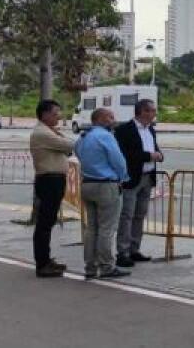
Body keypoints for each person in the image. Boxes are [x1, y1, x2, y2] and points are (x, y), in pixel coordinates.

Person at [74, 107, 130, 280]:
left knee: (92, 228)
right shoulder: (106, 136)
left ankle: (90, 266)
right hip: (106, 185)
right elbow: (118, 160)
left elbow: (77, 152)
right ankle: (106, 266)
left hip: (87, 184)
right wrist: (122, 177)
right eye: (109, 116)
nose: (113, 119)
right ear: (99, 119)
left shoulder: (83, 137)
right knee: (107, 228)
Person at [113, 98, 163, 268]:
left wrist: (159, 155)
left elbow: (155, 148)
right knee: (126, 216)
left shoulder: (151, 130)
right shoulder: (124, 130)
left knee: (139, 215)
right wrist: (149, 156)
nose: (154, 114)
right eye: (152, 111)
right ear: (142, 111)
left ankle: (134, 249)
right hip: (131, 178)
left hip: (148, 177)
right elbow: (125, 154)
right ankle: (122, 252)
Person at [28, 99, 75, 278]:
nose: (59, 117)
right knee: (45, 223)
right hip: (49, 180)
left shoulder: (48, 132)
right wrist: (60, 136)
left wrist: (59, 134)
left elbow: (67, 151)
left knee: (48, 221)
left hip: (54, 180)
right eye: (55, 113)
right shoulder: (42, 133)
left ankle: (46, 259)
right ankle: (42, 263)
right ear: (45, 114)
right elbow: (70, 146)